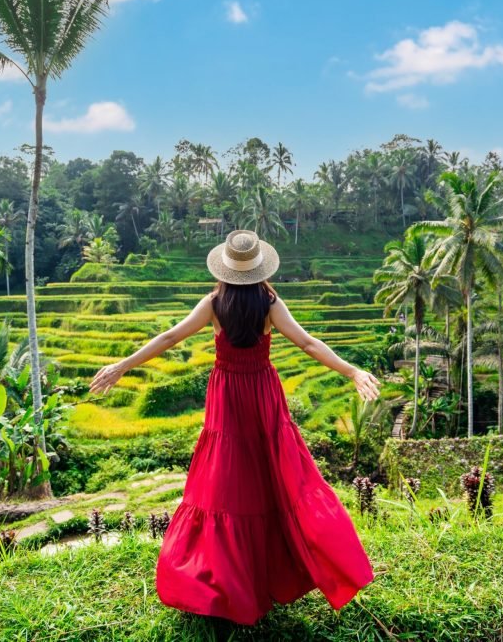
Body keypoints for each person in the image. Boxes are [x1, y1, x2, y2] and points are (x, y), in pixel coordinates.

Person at [90, 230, 379, 626]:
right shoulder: (270, 303)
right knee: (272, 475)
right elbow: (308, 344)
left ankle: (227, 583)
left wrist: (122, 365)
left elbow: (172, 336)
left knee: (227, 483)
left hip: (227, 394)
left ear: (224, 270)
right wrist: (352, 370)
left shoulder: (213, 303)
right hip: (262, 393)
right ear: (260, 269)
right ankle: (275, 571)